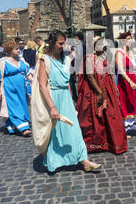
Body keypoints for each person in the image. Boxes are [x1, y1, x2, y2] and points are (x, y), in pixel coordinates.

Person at [32, 30, 101, 172]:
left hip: (66, 99)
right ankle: (54, 161)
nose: (63, 46)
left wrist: (70, 100)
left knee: (74, 129)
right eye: (60, 44)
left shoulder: (65, 59)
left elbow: (68, 82)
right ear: (52, 43)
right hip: (53, 98)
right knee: (56, 132)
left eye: (64, 43)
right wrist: (51, 107)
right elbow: (42, 86)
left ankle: (84, 160)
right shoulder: (44, 60)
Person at [76, 36, 128, 154]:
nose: (103, 46)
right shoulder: (89, 57)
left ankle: (110, 142)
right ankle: (95, 143)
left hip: (107, 89)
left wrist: (114, 88)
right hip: (94, 90)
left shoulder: (102, 57)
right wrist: (99, 92)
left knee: (111, 115)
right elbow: (89, 76)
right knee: (93, 117)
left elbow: (109, 74)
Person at [0, 40, 32, 137]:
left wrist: (34, 82)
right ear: (10, 50)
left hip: (22, 89)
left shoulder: (22, 60)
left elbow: (28, 74)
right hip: (9, 89)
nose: (19, 50)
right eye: (16, 49)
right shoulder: (3, 62)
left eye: (19, 48)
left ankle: (10, 125)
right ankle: (24, 128)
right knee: (14, 106)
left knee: (23, 105)